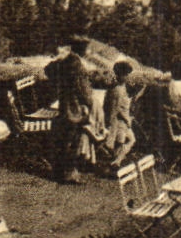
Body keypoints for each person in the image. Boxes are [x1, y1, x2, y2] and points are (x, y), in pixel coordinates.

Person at [45, 37, 99, 183]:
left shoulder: (66, 64)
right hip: (73, 109)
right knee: (71, 141)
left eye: (60, 49)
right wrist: (88, 103)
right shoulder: (73, 65)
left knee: (64, 140)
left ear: (68, 49)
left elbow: (48, 70)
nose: (57, 52)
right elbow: (85, 91)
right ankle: (69, 174)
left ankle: (60, 172)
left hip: (67, 106)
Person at [103, 60, 139, 168]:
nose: (128, 77)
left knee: (127, 141)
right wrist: (126, 120)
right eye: (126, 75)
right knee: (124, 141)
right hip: (119, 121)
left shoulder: (118, 87)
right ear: (121, 75)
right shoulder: (118, 90)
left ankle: (116, 162)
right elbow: (115, 108)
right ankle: (115, 162)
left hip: (121, 119)